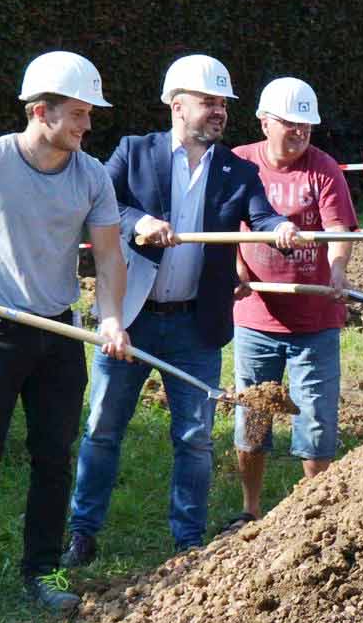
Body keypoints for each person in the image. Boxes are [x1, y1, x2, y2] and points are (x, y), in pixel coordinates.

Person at [63, 53, 300, 564]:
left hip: (196, 323)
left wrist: (278, 227)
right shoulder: (135, 151)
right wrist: (138, 223)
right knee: (103, 426)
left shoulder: (238, 170)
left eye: (223, 103)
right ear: (177, 105)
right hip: (130, 316)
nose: (219, 111)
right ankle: (82, 533)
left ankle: (188, 541)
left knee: (194, 438)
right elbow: (97, 203)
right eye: (208, 102)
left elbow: (262, 214)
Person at [0, 51, 131, 617]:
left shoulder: (91, 175)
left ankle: (43, 569)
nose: (88, 127)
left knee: (53, 457)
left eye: (90, 115)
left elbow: (111, 256)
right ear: (41, 111)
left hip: (58, 332)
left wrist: (110, 317)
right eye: (79, 115)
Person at [230, 77, 356, 524]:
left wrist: (337, 270)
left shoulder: (324, 170)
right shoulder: (239, 163)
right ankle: (250, 511)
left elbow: (338, 232)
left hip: (314, 320)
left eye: (307, 125)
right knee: (252, 419)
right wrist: (236, 268)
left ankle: (312, 520)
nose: (300, 133)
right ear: (265, 122)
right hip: (255, 316)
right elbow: (220, 227)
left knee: (316, 424)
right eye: (290, 123)